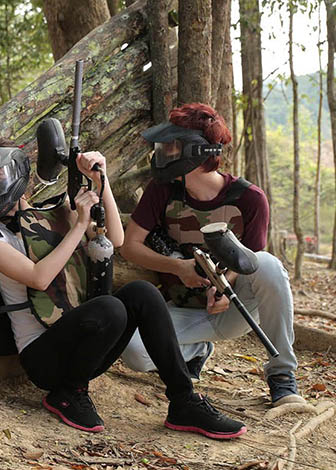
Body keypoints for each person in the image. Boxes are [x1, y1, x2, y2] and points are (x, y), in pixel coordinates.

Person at [0, 138, 246, 438]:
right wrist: (79, 224)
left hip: (86, 343)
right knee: (110, 307)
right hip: (43, 359)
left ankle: (184, 400)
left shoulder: (52, 215)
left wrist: (102, 182)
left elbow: (116, 239)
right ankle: (69, 392)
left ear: (18, 175)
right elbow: (38, 278)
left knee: (143, 293)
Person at [119, 103, 304, 407]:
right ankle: (197, 351)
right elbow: (130, 246)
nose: (162, 152)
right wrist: (178, 267)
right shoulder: (162, 190)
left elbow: (251, 263)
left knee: (268, 264)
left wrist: (223, 286)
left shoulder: (249, 199)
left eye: (171, 145)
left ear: (194, 151)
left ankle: (282, 375)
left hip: (233, 310)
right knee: (135, 352)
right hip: (183, 309)